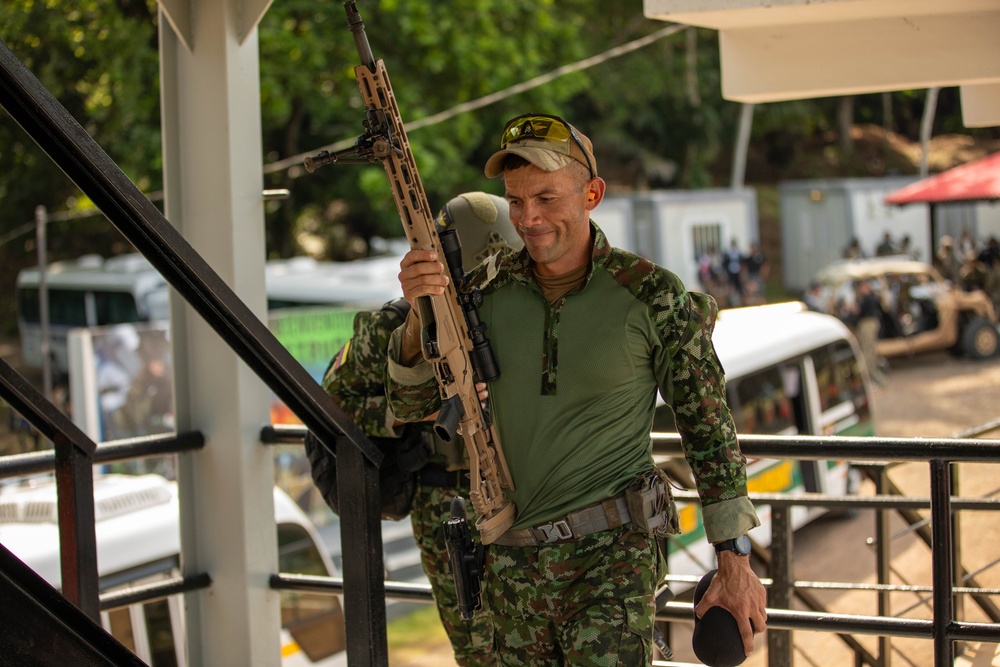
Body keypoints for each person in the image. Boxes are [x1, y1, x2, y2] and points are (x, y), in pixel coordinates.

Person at [386, 113, 767, 665]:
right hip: (511, 568)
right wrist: (421, 321)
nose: (529, 218)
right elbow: (413, 406)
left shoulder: (651, 295)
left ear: (592, 193)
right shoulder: (483, 295)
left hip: (613, 560)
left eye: (545, 197)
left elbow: (708, 427)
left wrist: (735, 557)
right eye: (516, 202)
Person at [306, 192, 522, 666]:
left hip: (521, 496)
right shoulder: (395, 326)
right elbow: (328, 410)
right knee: (478, 648)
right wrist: (411, 412)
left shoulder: (523, 318)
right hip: (446, 505)